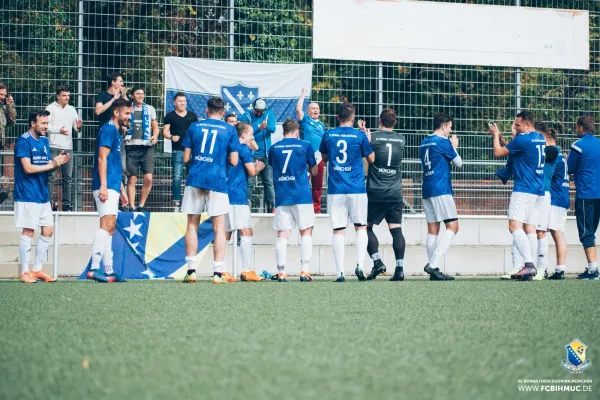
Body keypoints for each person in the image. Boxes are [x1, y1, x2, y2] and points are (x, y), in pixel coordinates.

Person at [181, 97, 239, 284]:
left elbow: (186, 158)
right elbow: (235, 161)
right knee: (219, 228)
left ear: (207, 110)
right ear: (223, 113)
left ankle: (191, 271)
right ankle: (217, 272)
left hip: (196, 177)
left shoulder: (194, 127)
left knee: (192, 224)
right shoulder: (229, 129)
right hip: (218, 180)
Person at [319, 101, 374, 282]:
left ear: (337, 117)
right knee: (361, 227)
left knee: (338, 230)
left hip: (336, 188)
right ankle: (359, 265)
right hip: (357, 188)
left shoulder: (328, 134)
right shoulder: (359, 135)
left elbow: (324, 157)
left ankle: (340, 272)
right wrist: (368, 139)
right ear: (353, 119)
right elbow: (372, 159)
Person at [14, 110, 70, 283]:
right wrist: (52, 164)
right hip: (27, 194)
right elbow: (28, 168)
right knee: (29, 231)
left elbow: (45, 165)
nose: (46, 127)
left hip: (42, 194)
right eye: (43, 124)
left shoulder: (45, 141)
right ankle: (24, 272)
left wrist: (57, 163)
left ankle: (37, 269)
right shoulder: (23, 141)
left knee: (48, 230)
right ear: (33, 123)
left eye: (47, 123)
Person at [489, 110, 546, 281]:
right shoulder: (539, 138)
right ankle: (530, 267)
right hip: (539, 190)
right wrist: (503, 138)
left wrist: (494, 136)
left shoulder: (523, 139)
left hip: (524, 189)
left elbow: (499, 153)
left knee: (514, 226)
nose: (516, 127)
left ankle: (528, 265)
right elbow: (516, 149)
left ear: (528, 124)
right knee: (529, 228)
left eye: (518, 125)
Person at [269, 118, 319, 282]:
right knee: (306, 231)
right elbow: (315, 172)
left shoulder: (274, 148)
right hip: (302, 195)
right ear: (297, 131)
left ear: (283, 131)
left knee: (283, 234)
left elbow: (273, 166)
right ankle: (304, 271)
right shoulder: (305, 145)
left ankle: (281, 272)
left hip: (282, 195)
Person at [88, 99, 131, 283]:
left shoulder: (116, 132)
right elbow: (102, 158)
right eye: (127, 113)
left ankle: (109, 271)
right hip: (104, 185)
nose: (129, 117)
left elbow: (113, 162)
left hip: (113, 184)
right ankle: (94, 268)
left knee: (110, 227)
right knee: (106, 225)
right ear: (116, 113)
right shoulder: (107, 130)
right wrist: (104, 185)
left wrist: (120, 188)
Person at [364, 108, 406, 281]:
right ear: (395, 122)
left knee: (365, 227)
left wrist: (366, 139)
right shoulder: (401, 139)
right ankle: (400, 268)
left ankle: (377, 261)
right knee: (396, 229)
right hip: (395, 191)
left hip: (375, 190)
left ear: (379, 120)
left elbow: (369, 158)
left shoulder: (373, 137)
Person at [419, 113, 462, 281]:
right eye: (449, 127)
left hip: (427, 188)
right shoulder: (444, 142)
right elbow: (459, 163)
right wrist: (454, 146)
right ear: (443, 126)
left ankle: (434, 270)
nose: (450, 130)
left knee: (433, 229)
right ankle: (433, 264)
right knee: (453, 227)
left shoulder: (424, 142)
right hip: (441, 188)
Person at [225, 122, 265, 282]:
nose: (252, 137)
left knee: (225, 233)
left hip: (225, 194)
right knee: (246, 231)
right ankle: (246, 270)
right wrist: (259, 167)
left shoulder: (229, 148)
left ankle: (222, 270)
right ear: (242, 135)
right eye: (250, 134)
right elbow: (252, 172)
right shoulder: (244, 150)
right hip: (237, 196)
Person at [567, 115, 600, 280]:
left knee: (586, 232)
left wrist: (567, 160)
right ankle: (592, 267)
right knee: (592, 231)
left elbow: (570, 168)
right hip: (599, 193)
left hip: (585, 194)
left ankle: (593, 269)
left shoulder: (578, 146)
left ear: (581, 127)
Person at [46, 85, 82, 211]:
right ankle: (49, 203)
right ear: (58, 96)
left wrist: (79, 127)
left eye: (68, 95)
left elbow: (77, 130)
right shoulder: (50, 108)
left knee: (68, 177)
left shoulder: (72, 109)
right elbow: (46, 126)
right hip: (53, 146)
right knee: (51, 176)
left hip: (68, 147)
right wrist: (58, 131)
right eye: (64, 95)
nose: (67, 98)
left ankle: (67, 205)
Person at [124, 87, 159, 212]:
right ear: (132, 96)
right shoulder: (128, 108)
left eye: (142, 94)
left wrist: (155, 136)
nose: (140, 96)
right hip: (131, 146)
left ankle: (141, 205)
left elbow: (155, 126)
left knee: (148, 178)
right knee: (132, 178)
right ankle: (132, 207)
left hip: (147, 147)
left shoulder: (150, 109)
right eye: (138, 94)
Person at [162, 92, 198, 212]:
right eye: (180, 101)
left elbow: (197, 132)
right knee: (177, 177)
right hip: (178, 150)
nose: (182, 103)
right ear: (174, 102)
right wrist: (172, 137)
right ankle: (176, 203)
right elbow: (165, 132)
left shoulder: (192, 116)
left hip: (192, 151)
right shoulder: (169, 116)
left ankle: (192, 202)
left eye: (184, 101)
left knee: (192, 176)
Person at [543, 127, 570, 280]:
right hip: (562, 197)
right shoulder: (561, 156)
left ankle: (556, 269)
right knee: (556, 233)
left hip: (556, 198)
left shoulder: (552, 155)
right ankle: (558, 269)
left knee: (555, 234)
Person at [240, 98, 276, 212]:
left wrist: (266, 127)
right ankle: (246, 206)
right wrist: (259, 128)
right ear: (253, 108)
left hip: (266, 154)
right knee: (250, 182)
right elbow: (244, 133)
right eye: (257, 111)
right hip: (252, 154)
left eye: (261, 111)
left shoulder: (269, 114)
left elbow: (273, 129)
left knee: (268, 182)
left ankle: (271, 208)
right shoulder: (247, 116)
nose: (259, 113)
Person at [296, 88, 325, 213]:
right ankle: (301, 207)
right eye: (313, 108)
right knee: (302, 183)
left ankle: (316, 210)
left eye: (317, 108)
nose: (316, 110)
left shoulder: (322, 124)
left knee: (318, 186)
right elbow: (298, 109)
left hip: (319, 157)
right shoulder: (305, 120)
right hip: (306, 157)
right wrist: (302, 94)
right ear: (307, 111)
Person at [0, 81, 16, 201]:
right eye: (0, 94)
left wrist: (10, 106)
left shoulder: (4, 107)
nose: (2, 97)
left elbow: (12, 121)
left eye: (4, 95)